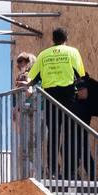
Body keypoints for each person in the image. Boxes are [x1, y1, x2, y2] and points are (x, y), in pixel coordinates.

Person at [27, 28, 88, 178]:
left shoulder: (43, 55)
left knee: (53, 134)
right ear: (67, 37)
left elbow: (32, 77)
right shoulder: (72, 52)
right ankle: (69, 170)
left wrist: (28, 88)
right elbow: (81, 74)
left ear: (53, 39)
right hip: (68, 96)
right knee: (69, 134)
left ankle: (53, 170)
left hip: (50, 97)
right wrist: (83, 91)